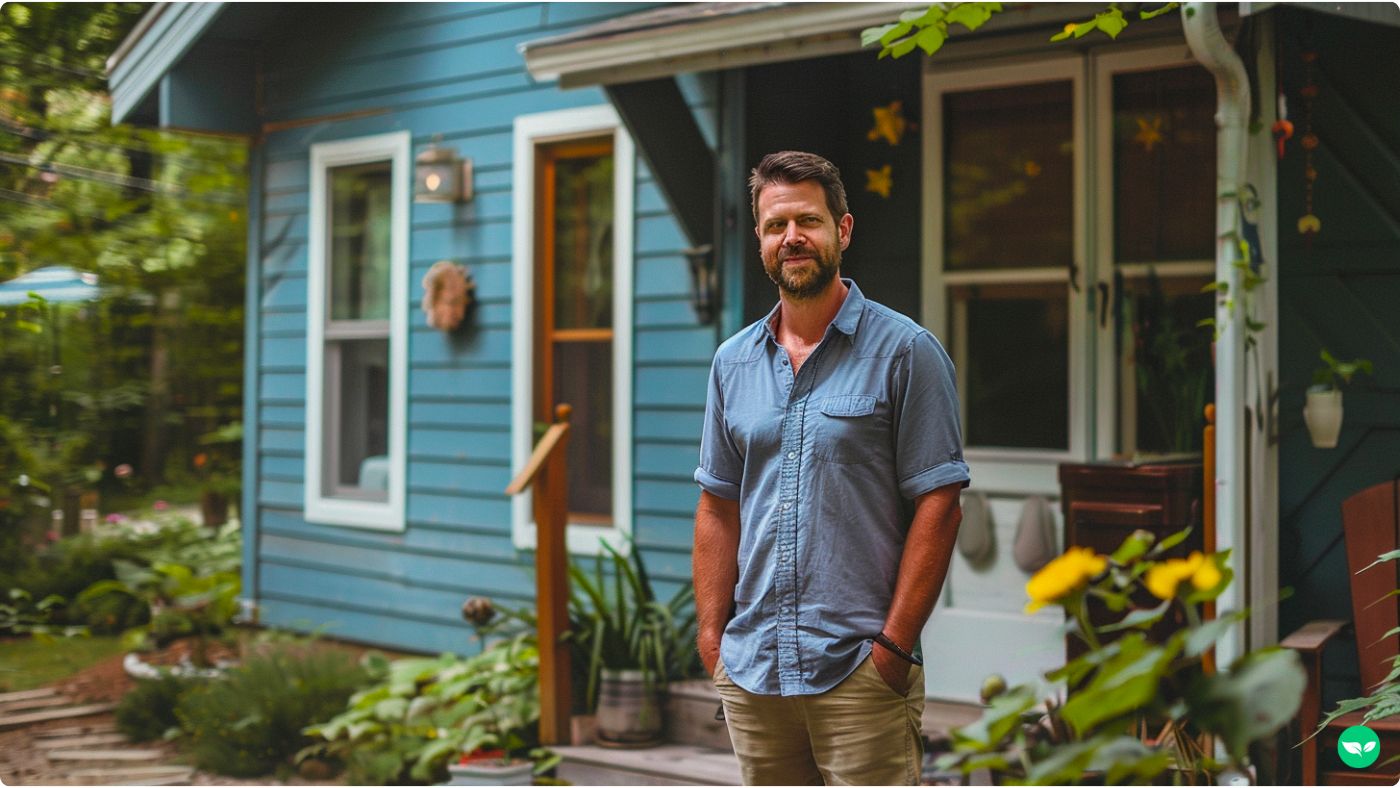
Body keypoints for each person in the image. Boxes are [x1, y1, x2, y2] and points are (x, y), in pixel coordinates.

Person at [692, 151, 970, 786]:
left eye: (809, 221)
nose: (792, 238)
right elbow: (717, 505)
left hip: (858, 671)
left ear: (842, 230)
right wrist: (715, 646)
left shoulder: (906, 352)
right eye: (775, 225)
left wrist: (894, 650)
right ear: (761, 241)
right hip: (755, 669)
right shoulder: (732, 364)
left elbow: (941, 502)